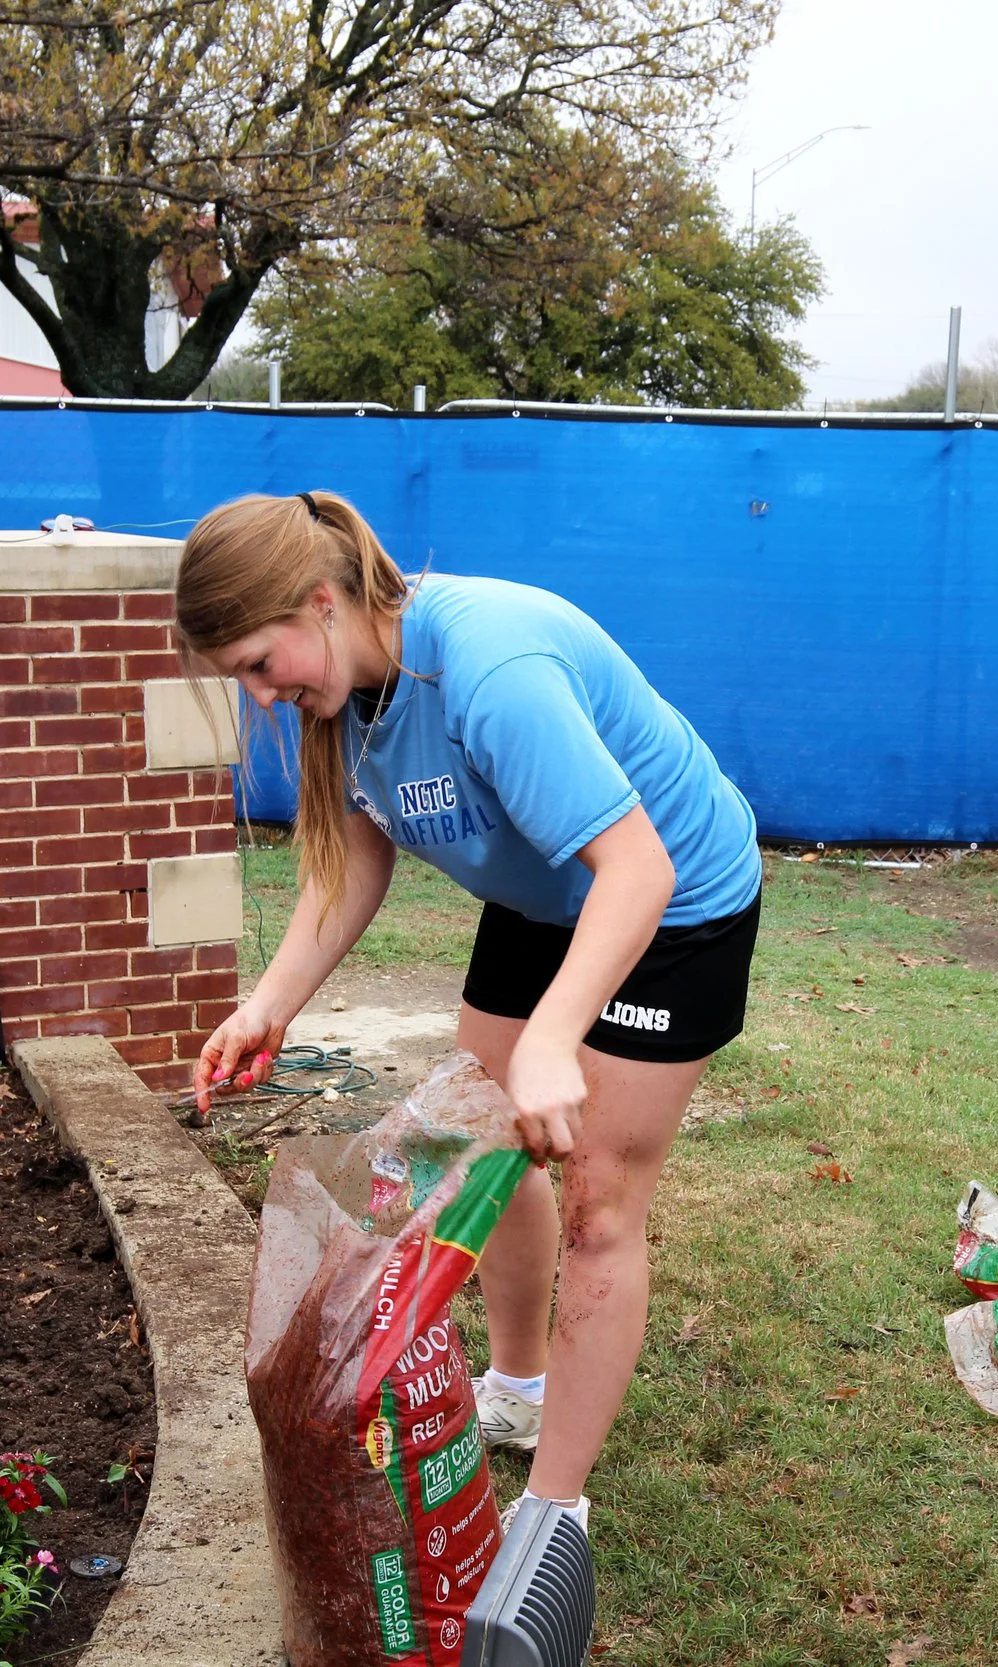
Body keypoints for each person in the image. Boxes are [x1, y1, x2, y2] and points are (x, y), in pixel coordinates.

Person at [177, 490, 762, 1534]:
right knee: (483, 1146)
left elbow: (638, 866)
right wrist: (269, 1003)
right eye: (242, 680)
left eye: (261, 664)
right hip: (548, 889)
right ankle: (522, 1385)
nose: (262, 695)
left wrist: (551, 1038)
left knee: (600, 1204)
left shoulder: (489, 668)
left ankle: (555, 1509)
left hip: (670, 902)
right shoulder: (349, 694)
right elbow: (354, 860)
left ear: (319, 601)